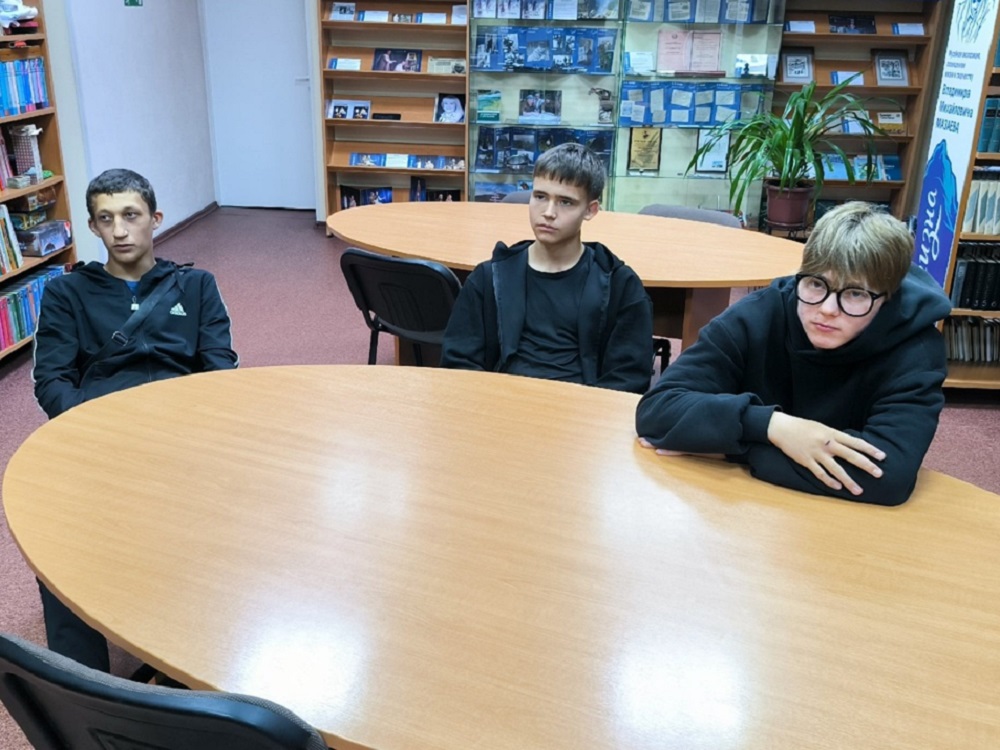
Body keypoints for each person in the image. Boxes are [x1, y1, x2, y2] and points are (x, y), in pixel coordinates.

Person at [31, 168, 239, 670]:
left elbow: (220, 370)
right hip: (101, 432)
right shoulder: (67, 294)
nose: (120, 230)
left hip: (184, 432)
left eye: (131, 215)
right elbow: (52, 379)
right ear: (92, 227)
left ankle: (198, 663)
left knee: (225, 528)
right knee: (56, 534)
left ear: (155, 218)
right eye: (106, 219)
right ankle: (83, 683)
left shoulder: (196, 286)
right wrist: (93, 427)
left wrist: (196, 428)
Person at [635, 201, 951, 506]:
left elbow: (888, 476)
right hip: (744, 508)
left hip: (844, 521)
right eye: (816, 284)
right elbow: (656, 413)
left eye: (855, 293)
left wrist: (733, 449)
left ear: (888, 298)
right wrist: (773, 427)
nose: (827, 309)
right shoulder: (757, 315)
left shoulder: (917, 351)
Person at [441, 142, 653, 394]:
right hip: (502, 402)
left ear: (590, 210)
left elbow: (628, 378)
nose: (549, 213)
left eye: (566, 202)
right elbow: (458, 362)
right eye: (540, 197)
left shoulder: (620, 285)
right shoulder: (490, 278)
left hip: (583, 407)